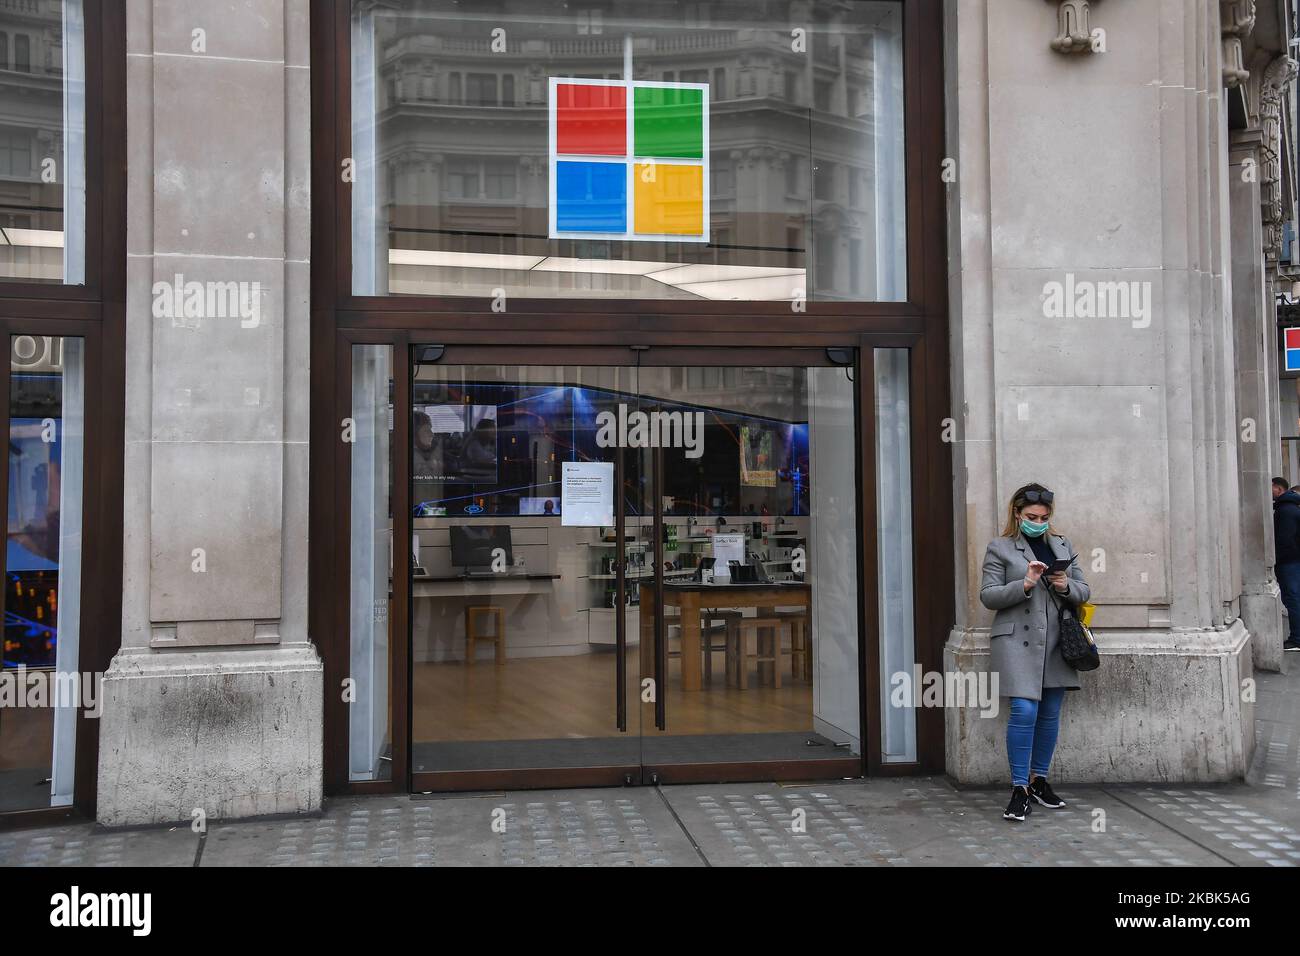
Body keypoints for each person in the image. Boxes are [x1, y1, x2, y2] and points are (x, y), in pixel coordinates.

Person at [979, 482, 1091, 823]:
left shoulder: (1062, 544)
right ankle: (1019, 789)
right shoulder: (1000, 547)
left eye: (1043, 517)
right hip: (1016, 641)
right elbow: (988, 595)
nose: (1038, 521)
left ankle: (1039, 780)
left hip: (1057, 640)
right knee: (1024, 711)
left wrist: (1065, 585)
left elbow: (1084, 590)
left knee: (1050, 712)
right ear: (1017, 514)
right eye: (1031, 516)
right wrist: (1025, 583)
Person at [1271, 477, 1300, 652]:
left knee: (1293, 598)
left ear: (1279, 489)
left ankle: (1297, 639)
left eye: (1271, 488)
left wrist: (1278, 560)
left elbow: (1285, 540)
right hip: (1292, 561)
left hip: (1290, 562)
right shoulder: (1289, 507)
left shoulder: (1286, 510)